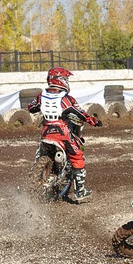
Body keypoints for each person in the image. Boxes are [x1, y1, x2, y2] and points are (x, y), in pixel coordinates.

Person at [27, 67, 103, 202]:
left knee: (40, 154)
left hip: (46, 132)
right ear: (61, 80)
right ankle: (80, 191)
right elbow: (80, 113)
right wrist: (94, 121)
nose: (67, 81)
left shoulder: (41, 96)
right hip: (62, 132)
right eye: (66, 79)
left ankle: (34, 175)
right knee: (77, 156)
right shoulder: (66, 99)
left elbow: (31, 108)